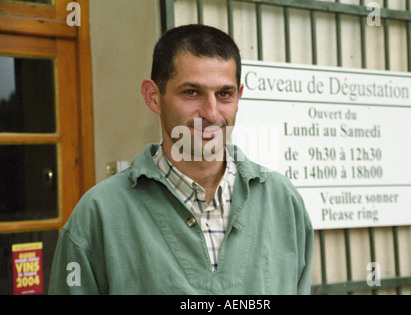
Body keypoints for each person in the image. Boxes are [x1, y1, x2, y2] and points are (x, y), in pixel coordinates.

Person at [49, 24, 314, 295]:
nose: (211, 114)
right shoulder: (100, 214)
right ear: (153, 97)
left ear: (239, 96)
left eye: (224, 94)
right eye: (191, 92)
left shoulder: (282, 202)